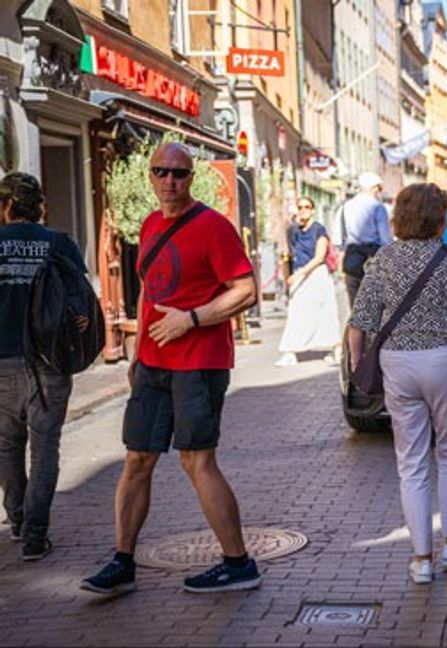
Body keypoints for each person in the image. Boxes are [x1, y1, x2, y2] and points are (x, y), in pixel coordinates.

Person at [81, 142, 260, 595]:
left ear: (190, 178)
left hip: (200, 364)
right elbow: (146, 290)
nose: (169, 181)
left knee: (196, 460)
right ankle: (122, 561)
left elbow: (245, 290)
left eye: (178, 173)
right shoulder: (150, 224)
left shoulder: (214, 228)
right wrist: (139, 350)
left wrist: (191, 318)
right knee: (137, 458)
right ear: (150, 176)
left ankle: (238, 563)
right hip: (153, 365)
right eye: (161, 172)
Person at [347, 183, 447, 585]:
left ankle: (422, 558)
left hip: (398, 363)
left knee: (411, 462)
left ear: (399, 218)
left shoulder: (383, 260)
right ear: (441, 221)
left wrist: (358, 366)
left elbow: (361, 321)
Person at [0, 172, 87, 562]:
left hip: (1, 362)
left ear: (5, 206)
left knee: (7, 444)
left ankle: (17, 522)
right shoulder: (59, 243)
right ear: (39, 207)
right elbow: (82, 304)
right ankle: (36, 535)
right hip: (49, 362)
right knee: (45, 447)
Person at [276, 196, 340, 367]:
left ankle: (333, 348)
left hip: (316, 274)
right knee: (297, 313)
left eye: (307, 206)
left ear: (312, 209)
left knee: (325, 312)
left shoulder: (319, 229)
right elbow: (289, 254)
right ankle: (290, 351)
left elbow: (319, 257)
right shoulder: (293, 231)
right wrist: (289, 274)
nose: (303, 210)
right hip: (299, 273)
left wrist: (300, 274)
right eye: (300, 207)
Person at [334, 172, 392, 305]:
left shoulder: (345, 207)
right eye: (379, 188)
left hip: (352, 256)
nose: (379, 192)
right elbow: (385, 239)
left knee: (355, 304)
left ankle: (356, 326)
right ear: (373, 187)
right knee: (375, 304)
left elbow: (338, 238)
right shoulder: (378, 207)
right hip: (373, 256)